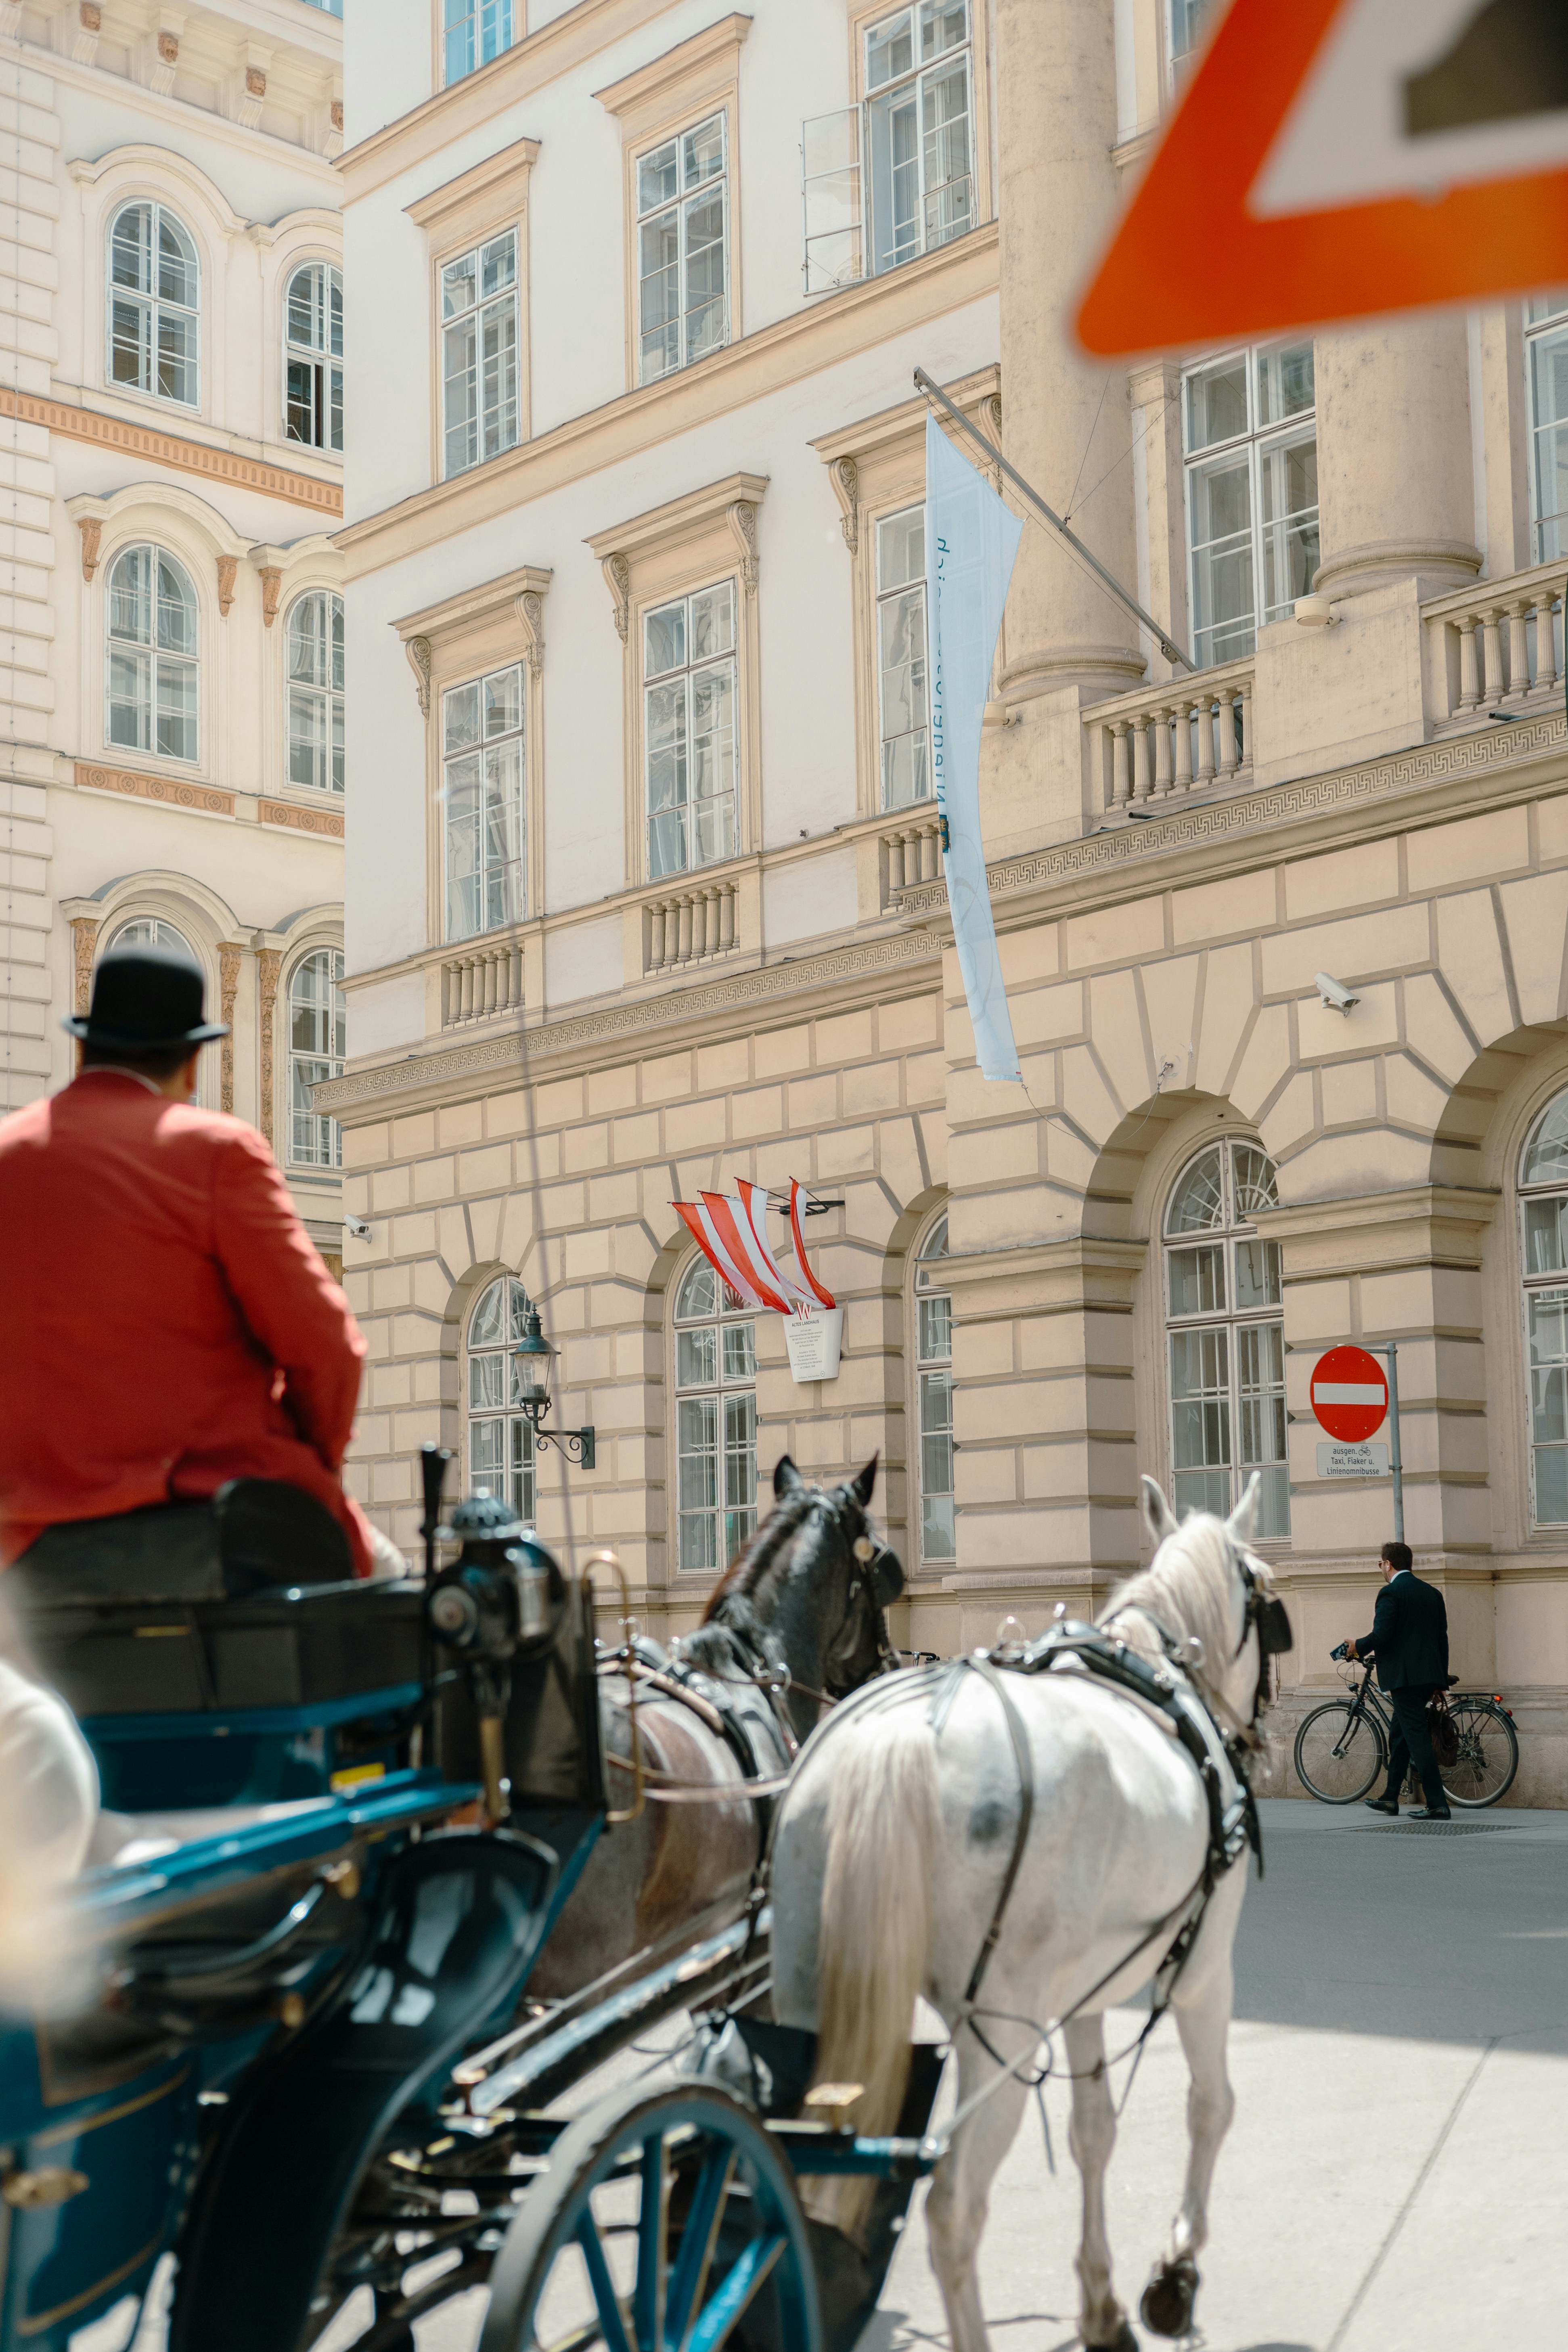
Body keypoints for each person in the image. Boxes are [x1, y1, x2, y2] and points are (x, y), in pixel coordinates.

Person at [0, 942, 381, 1583]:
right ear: (194, 1059)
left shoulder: (9, 1157)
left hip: (26, 1543)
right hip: (206, 1521)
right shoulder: (214, 1150)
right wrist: (312, 1466)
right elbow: (326, 1344)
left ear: (84, 1047)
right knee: (411, 1618)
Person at [1344, 1540, 1452, 1820]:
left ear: (1388, 1564)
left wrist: (1357, 1645)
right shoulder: (1431, 1593)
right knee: (1400, 1735)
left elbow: (1381, 1635)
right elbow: (1442, 1638)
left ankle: (1438, 1804)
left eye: (1381, 1563)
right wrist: (1440, 1679)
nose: (1381, 1568)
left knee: (1416, 1739)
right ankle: (1390, 1798)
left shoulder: (1390, 1593)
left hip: (1405, 1679)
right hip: (1428, 1676)